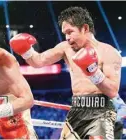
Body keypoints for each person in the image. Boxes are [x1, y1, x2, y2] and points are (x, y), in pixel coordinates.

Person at [9, 6, 126, 139]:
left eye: (70, 32)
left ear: (85, 28)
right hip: (77, 109)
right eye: (65, 33)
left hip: (102, 111)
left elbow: (112, 91)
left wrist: (93, 72)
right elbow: (38, 62)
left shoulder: (108, 52)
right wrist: (26, 51)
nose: (67, 37)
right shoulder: (65, 48)